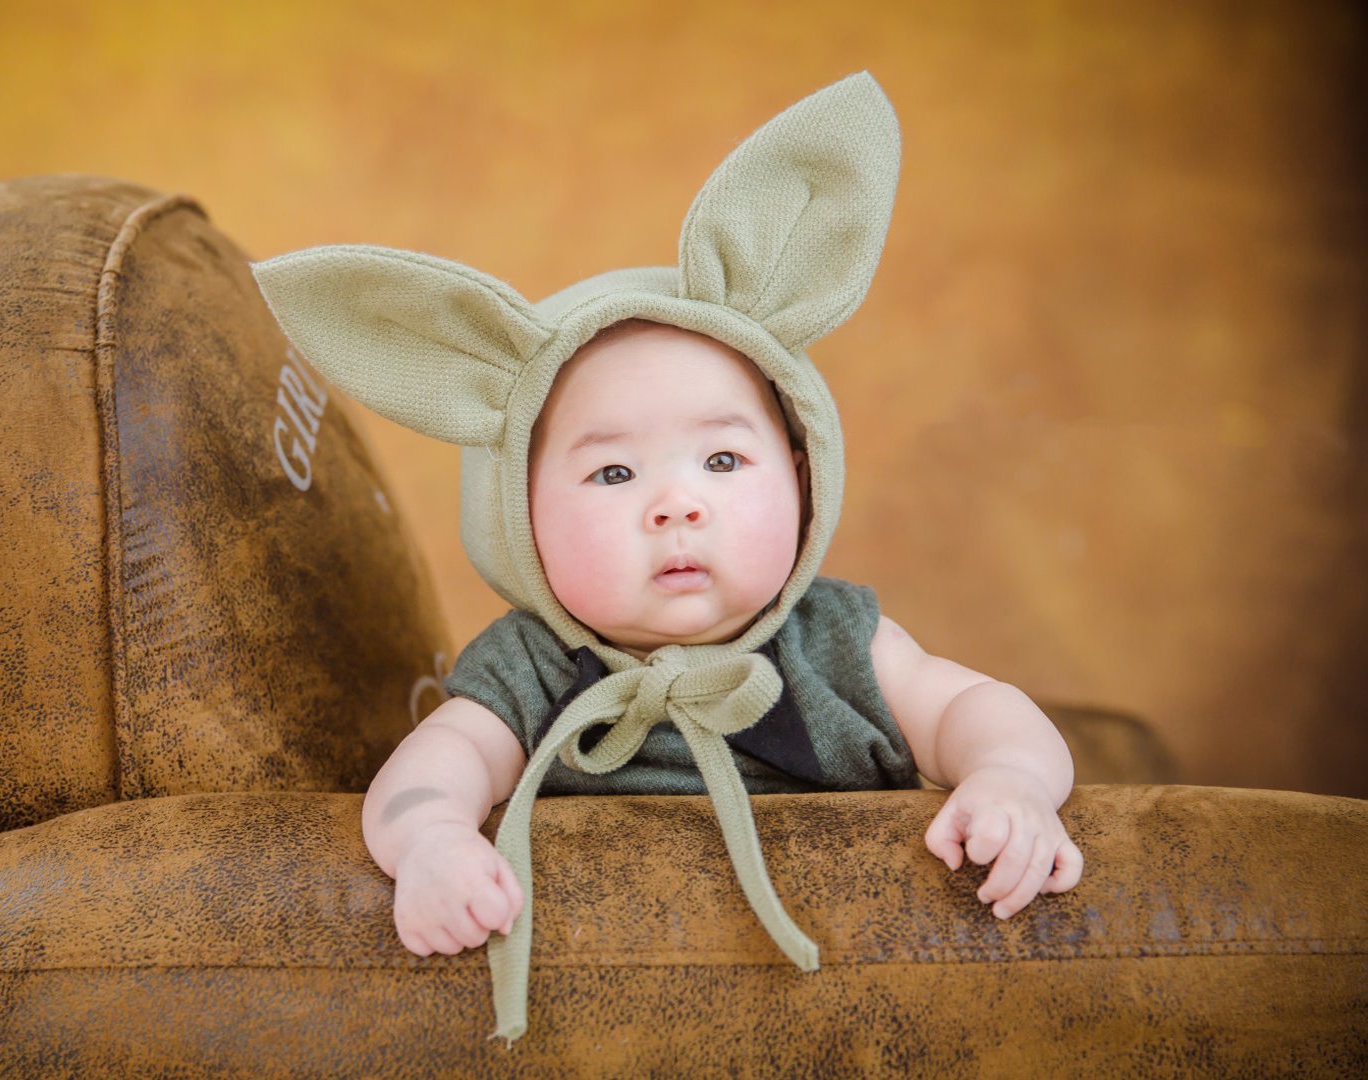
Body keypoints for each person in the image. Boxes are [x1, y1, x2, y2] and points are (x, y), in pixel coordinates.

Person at [251, 70, 1082, 1041]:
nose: (676, 506)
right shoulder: (530, 667)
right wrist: (431, 840)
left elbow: (981, 713)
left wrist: (1010, 784)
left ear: (804, 477)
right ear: (518, 520)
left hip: (850, 1012)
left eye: (723, 459)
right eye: (611, 476)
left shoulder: (838, 643)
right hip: (604, 1027)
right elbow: (428, 772)